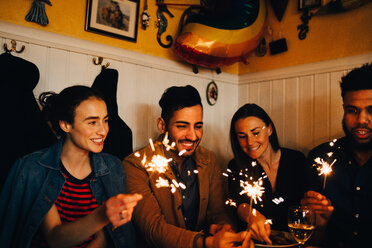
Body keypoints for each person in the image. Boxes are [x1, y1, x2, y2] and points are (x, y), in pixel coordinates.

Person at [0, 85, 142, 248]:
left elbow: (106, 238)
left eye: (106, 120)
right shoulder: (33, 169)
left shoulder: (112, 167)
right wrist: (102, 215)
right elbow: (55, 238)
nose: (103, 130)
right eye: (93, 122)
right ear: (65, 125)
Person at [123, 85, 252, 248]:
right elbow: (153, 230)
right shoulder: (135, 166)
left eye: (198, 126)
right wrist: (206, 243)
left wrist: (225, 230)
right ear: (162, 126)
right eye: (182, 126)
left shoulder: (209, 160)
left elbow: (220, 212)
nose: (193, 136)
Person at [301, 63, 372, 248]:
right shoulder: (321, 157)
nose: (362, 120)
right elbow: (311, 242)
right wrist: (318, 226)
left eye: (371, 110)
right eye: (352, 110)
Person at [227, 103, 309, 245]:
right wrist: (251, 216)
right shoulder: (235, 166)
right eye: (242, 136)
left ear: (269, 129)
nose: (250, 142)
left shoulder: (296, 160)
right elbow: (239, 204)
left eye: (256, 132)